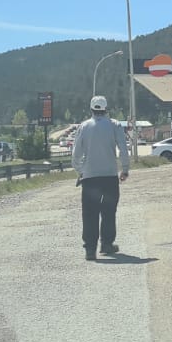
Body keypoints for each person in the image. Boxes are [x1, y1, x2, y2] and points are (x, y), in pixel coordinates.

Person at [72, 95, 130, 261]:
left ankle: (90, 250)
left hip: (89, 178)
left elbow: (76, 155)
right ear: (106, 109)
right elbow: (123, 150)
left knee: (89, 214)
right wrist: (124, 169)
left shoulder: (84, 126)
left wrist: (80, 171)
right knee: (109, 212)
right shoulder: (114, 125)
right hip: (110, 176)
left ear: (91, 109)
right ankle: (107, 244)